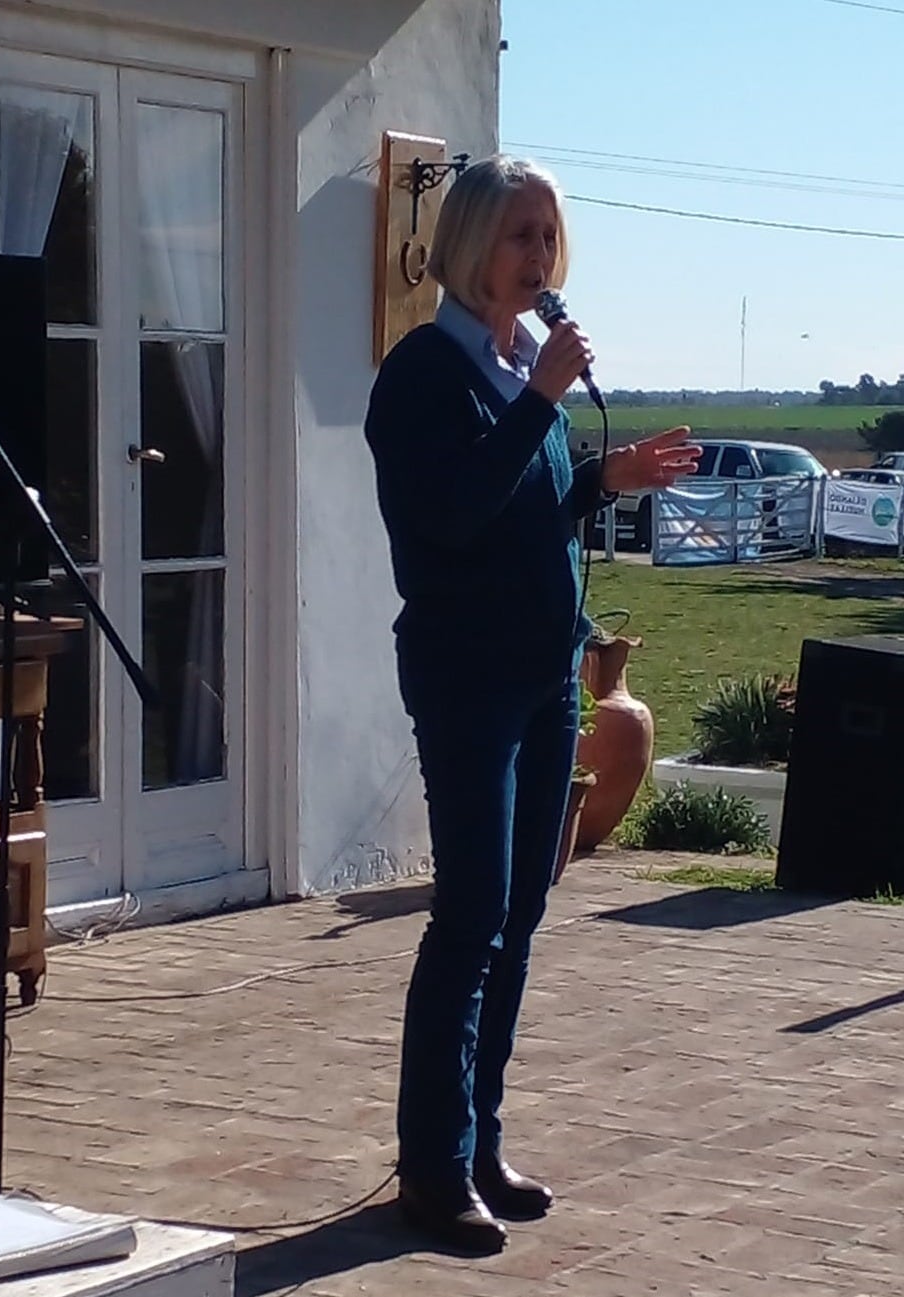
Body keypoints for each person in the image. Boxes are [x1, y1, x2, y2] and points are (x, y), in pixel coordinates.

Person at [363, 155, 700, 1255]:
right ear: (467, 246)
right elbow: (453, 516)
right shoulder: (425, 374)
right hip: (466, 675)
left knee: (520, 918)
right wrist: (544, 403)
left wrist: (605, 481)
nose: (539, 258)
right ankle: (432, 1165)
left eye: (548, 237)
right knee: (468, 919)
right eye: (519, 236)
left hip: (546, 672)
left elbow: (529, 508)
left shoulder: (520, 366)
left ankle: (482, 1140)